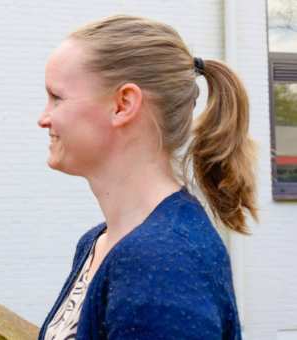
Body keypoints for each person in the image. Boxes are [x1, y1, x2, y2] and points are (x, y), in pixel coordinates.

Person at [38, 15, 256, 340]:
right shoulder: (99, 243)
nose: (43, 118)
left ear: (123, 105)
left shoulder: (164, 263)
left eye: (57, 97)